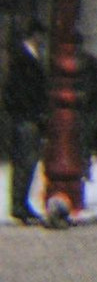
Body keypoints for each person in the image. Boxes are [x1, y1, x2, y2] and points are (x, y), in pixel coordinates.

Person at [4, 20, 48, 224]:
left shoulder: (32, 56)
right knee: (24, 161)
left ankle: (22, 202)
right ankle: (18, 205)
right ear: (34, 35)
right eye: (40, 36)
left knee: (29, 163)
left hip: (30, 117)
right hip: (25, 117)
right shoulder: (22, 57)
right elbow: (16, 89)